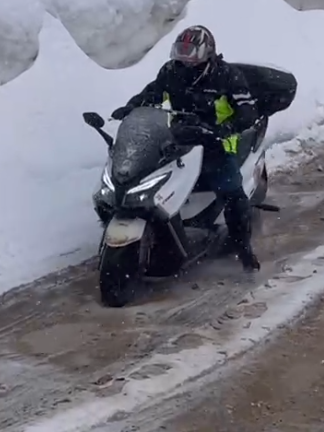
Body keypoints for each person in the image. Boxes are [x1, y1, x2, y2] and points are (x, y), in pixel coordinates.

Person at [110, 25, 261, 271]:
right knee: (146, 176)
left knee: (233, 193)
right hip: (178, 138)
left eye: (190, 51)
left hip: (216, 143)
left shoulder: (227, 75)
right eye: (181, 50)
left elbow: (248, 111)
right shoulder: (171, 71)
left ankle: (244, 249)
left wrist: (224, 129)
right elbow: (152, 94)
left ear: (207, 52)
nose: (185, 57)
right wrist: (131, 108)